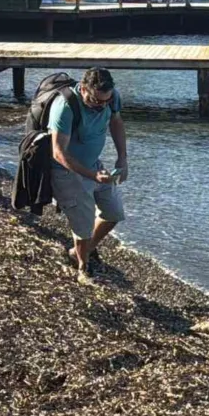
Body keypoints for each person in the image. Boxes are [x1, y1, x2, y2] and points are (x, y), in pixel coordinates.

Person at [48, 68, 128, 284]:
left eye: (106, 101)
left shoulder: (111, 97)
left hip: (95, 167)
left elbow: (116, 122)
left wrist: (122, 158)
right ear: (83, 89)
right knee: (82, 225)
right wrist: (91, 175)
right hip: (67, 172)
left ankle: (79, 252)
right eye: (96, 101)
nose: (102, 106)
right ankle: (83, 269)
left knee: (114, 213)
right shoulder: (64, 106)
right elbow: (58, 153)